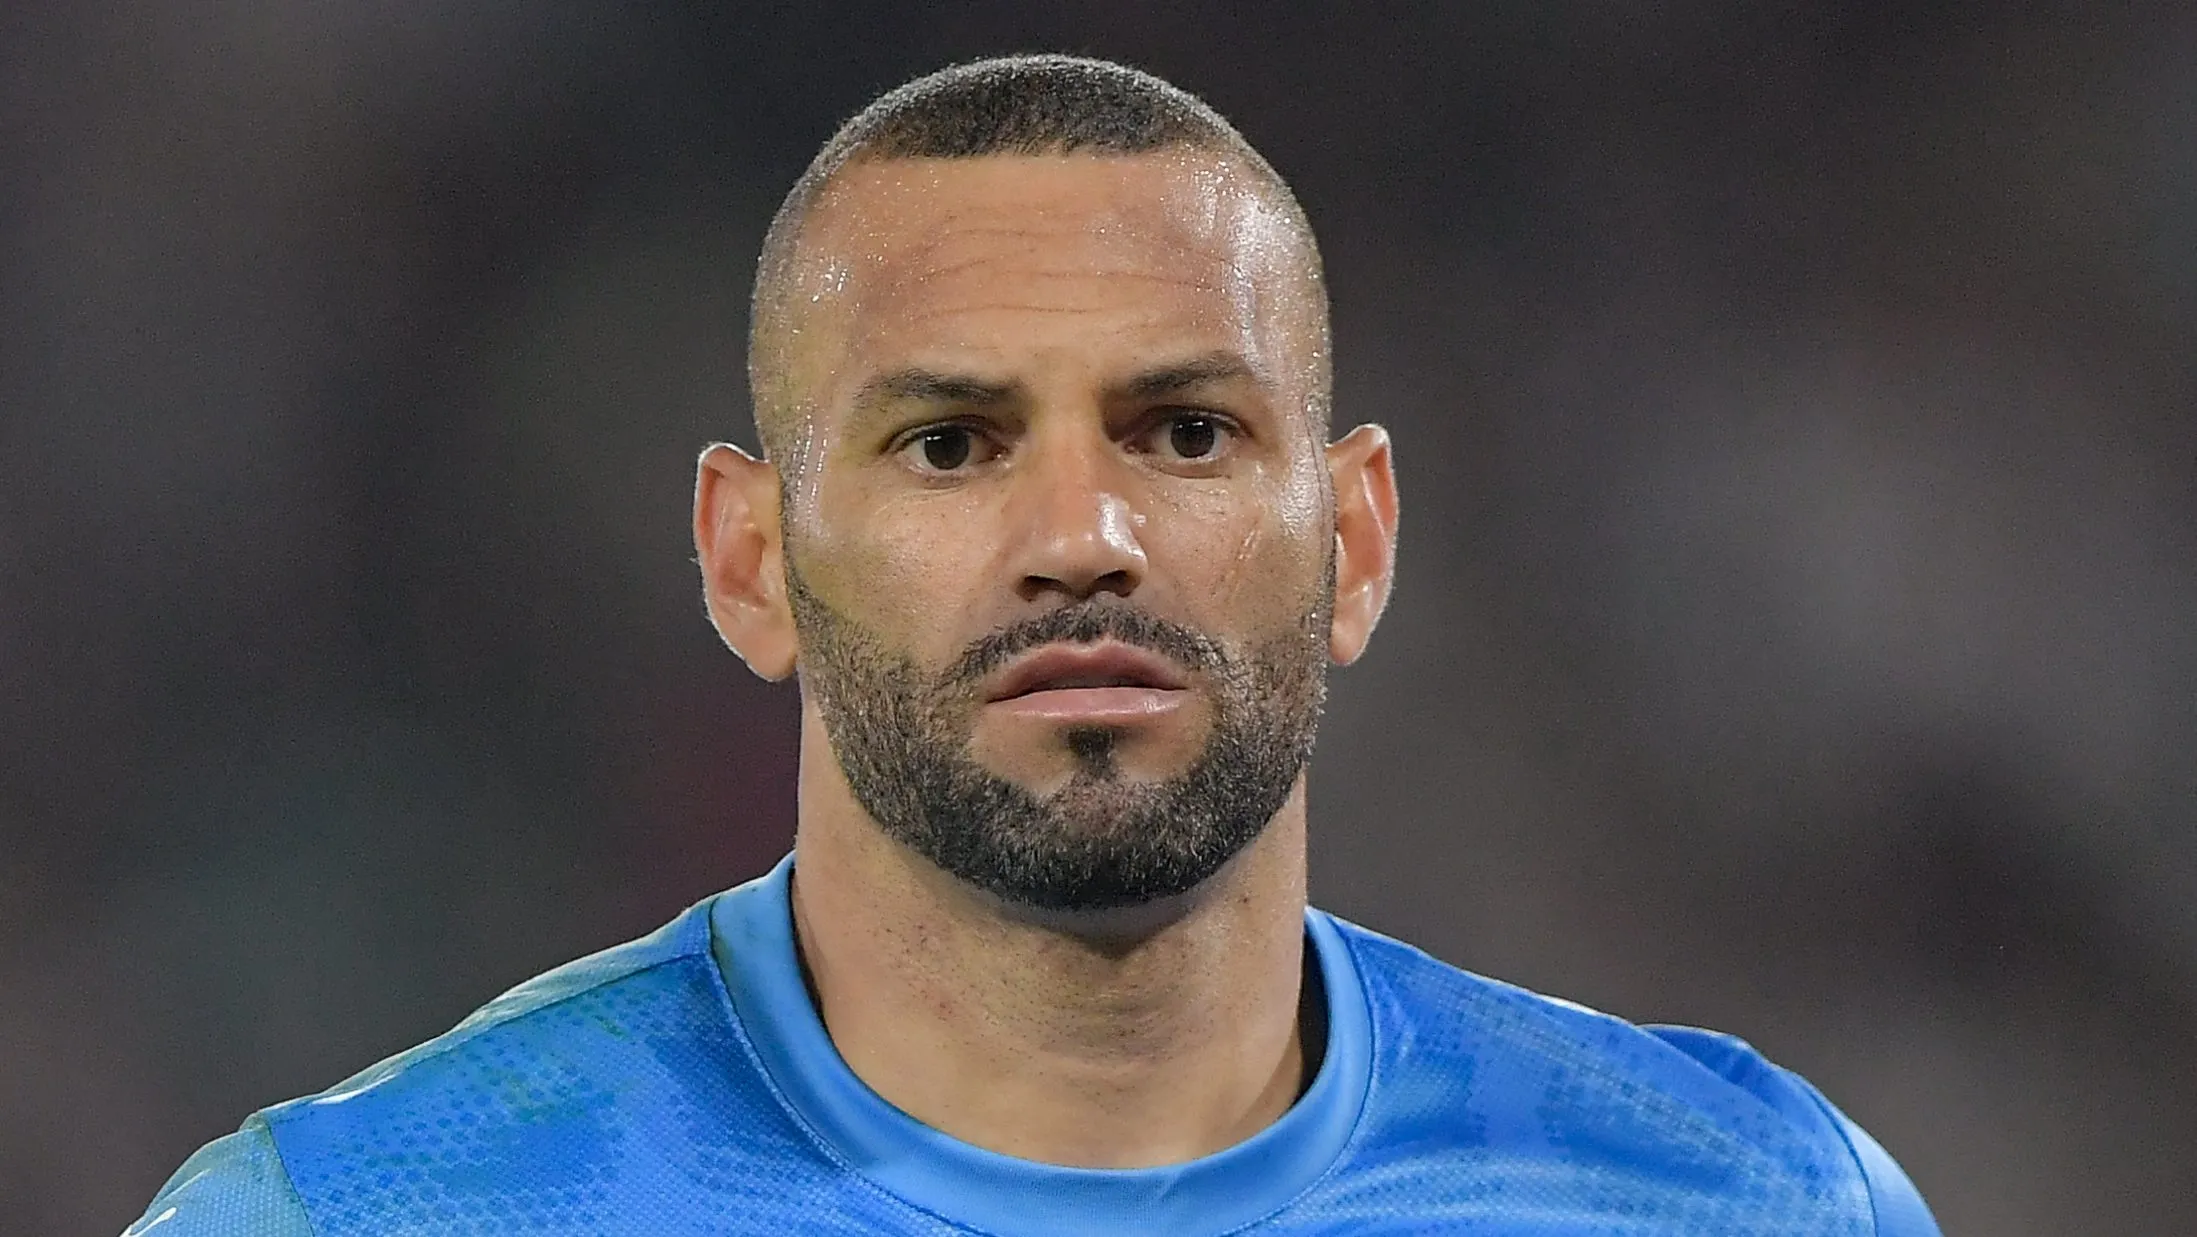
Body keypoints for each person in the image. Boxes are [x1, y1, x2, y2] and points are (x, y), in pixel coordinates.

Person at [129, 54, 1938, 1236]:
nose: (1083, 539)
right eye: (950, 443)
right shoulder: (370, 1217)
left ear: (1355, 540)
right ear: (748, 560)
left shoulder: (1741, 1201)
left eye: (1184, 432)